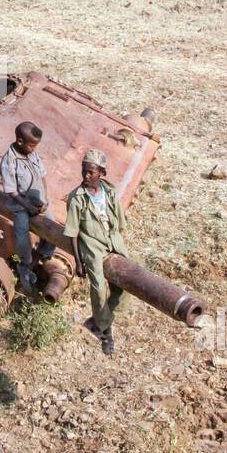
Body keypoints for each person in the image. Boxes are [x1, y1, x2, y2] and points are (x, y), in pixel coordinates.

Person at [64, 149, 127, 357]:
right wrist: (79, 261)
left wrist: (118, 240)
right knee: (99, 288)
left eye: (91, 172)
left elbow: (119, 219)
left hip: (113, 241)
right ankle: (105, 331)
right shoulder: (77, 198)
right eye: (84, 171)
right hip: (92, 246)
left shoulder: (109, 191)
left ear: (102, 173)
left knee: (124, 286)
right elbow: (72, 233)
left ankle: (99, 319)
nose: (86, 176)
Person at [0, 122, 56, 294]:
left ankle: (42, 254)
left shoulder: (33, 154)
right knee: (22, 235)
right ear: (20, 141)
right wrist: (28, 207)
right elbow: (12, 191)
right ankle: (25, 264)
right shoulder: (9, 160)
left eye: (35, 145)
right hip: (20, 204)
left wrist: (44, 198)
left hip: (38, 199)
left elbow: (43, 175)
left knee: (52, 229)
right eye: (31, 145)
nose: (33, 149)